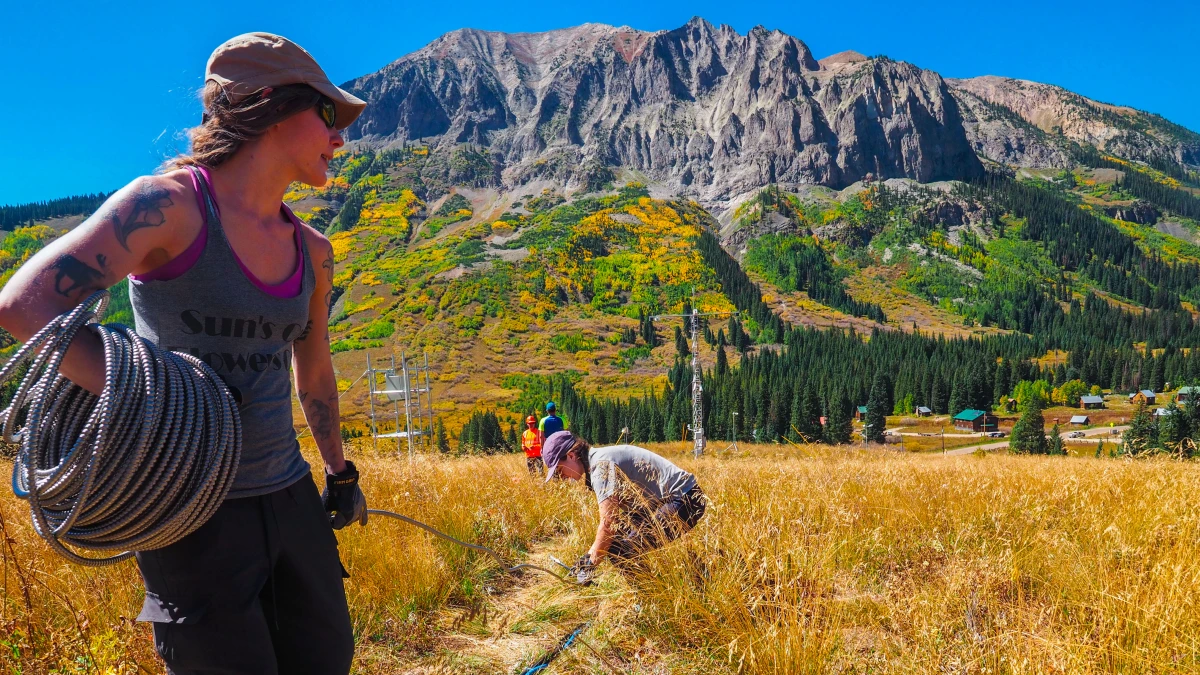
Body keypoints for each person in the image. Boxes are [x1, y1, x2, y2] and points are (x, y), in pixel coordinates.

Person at [0, 33, 368, 674]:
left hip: (289, 496)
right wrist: (154, 401)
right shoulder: (168, 208)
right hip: (190, 516)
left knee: (327, 660)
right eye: (328, 114)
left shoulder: (313, 251)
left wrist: (340, 474)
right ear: (271, 104)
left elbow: (313, 372)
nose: (340, 138)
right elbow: (23, 307)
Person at [542, 432, 706, 584]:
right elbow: (612, 526)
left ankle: (651, 598)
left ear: (571, 455)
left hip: (685, 499)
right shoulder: (597, 460)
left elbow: (608, 524)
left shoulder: (601, 467)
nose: (561, 477)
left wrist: (591, 564)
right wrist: (588, 557)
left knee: (626, 550)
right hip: (667, 500)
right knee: (616, 543)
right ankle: (669, 585)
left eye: (559, 470)